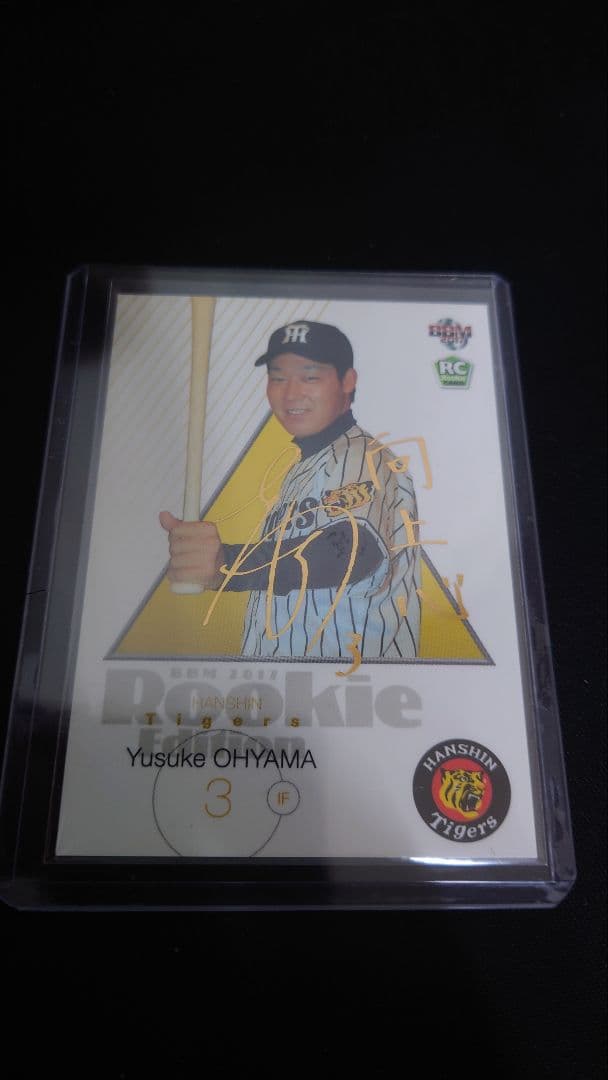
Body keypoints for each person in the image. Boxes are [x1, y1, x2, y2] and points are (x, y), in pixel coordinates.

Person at [160, 320, 421, 660]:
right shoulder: (304, 468)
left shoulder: (362, 455)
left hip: (349, 681)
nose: (291, 393)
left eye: (310, 377)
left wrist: (229, 563)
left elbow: (352, 549)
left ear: (347, 381)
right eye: (279, 378)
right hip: (292, 682)